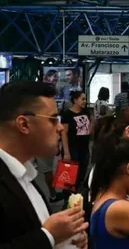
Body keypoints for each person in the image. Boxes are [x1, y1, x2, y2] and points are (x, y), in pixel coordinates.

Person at [0, 81, 88, 249]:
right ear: (24, 124)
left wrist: (63, 239)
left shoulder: (26, 175)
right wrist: (48, 236)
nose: (60, 128)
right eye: (53, 119)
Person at [61, 90, 92, 189]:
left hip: (84, 148)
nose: (84, 101)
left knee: (81, 175)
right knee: (69, 177)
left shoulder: (86, 112)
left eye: (85, 99)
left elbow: (90, 131)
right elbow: (64, 133)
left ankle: (78, 198)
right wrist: (66, 152)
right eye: (82, 99)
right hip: (72, 148)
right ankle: (68, 199)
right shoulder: (67, 114)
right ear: (75, 100)